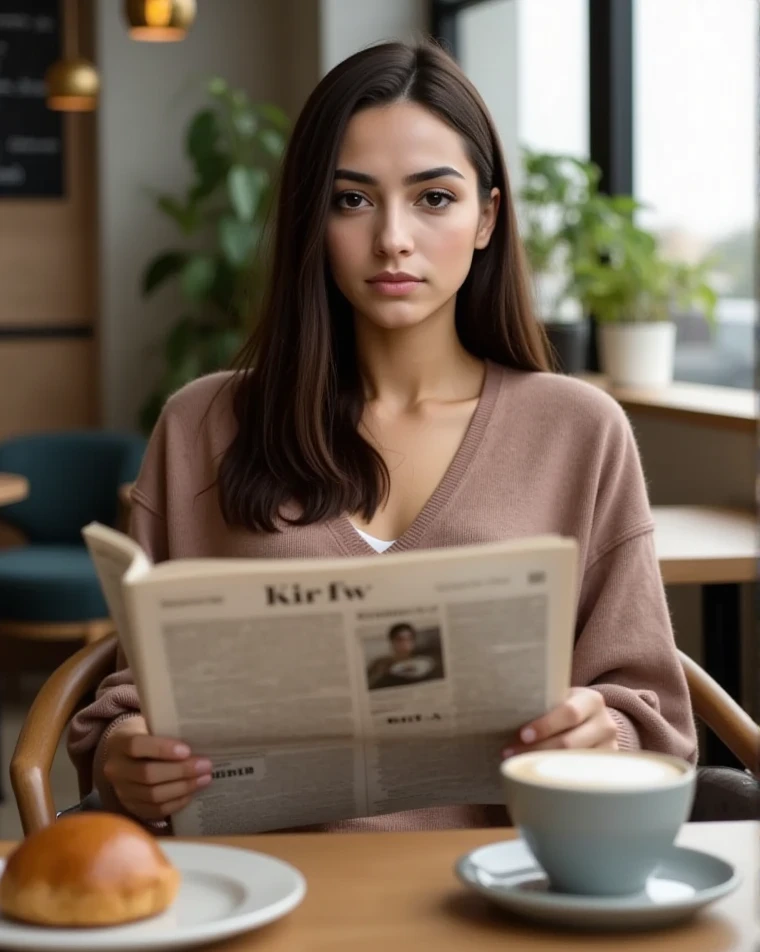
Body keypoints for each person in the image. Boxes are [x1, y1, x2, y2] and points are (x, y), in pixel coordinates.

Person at [68, 39, 697, 833]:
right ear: (312, 218)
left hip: (502, 902)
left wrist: (601, 732)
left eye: (434, 198)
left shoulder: (578, 430)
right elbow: (132, 701)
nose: (393, 238)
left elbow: (655, 720)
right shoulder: (202, 425)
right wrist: (127, 754)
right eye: (352, 200)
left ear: (487, 218)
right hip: (261, 901)